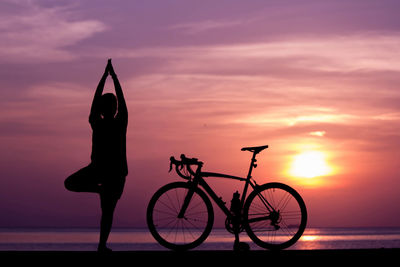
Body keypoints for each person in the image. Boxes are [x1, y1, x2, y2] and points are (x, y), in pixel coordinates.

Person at [64, 59, 128, 252]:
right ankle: (100, 192)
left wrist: (106, 77)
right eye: (113, 106)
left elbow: (102, 102)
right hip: (102, 171)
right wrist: (113, 77)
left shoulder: (107, 122)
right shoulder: (108, 122)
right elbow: (117, 101)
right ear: (110, 109)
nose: (115, 108)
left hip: (112, 173)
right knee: (107, 211)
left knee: (107, 211)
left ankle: (102, 246)